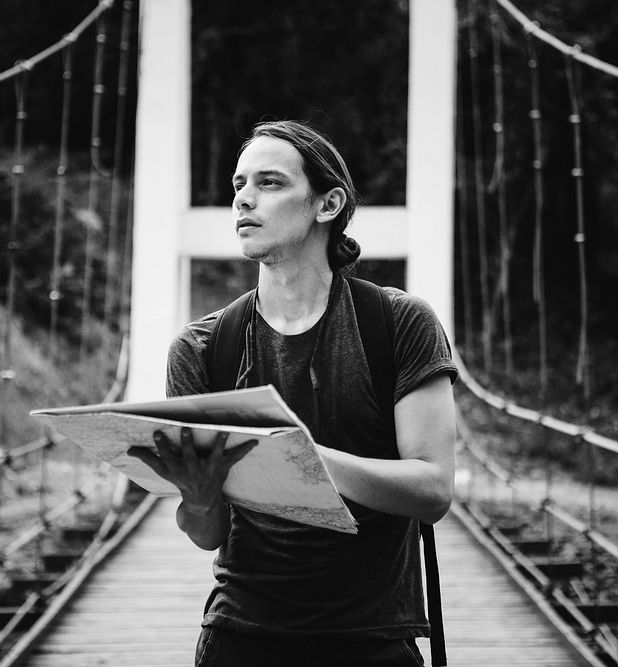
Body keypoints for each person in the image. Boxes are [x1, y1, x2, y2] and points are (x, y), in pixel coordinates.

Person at [128, 120, 457, 667]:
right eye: (238, 185)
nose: (243, 200)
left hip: (372, 640)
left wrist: (295, 455)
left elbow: (433, 490)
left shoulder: (398, 323)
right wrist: (200, 496)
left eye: (270, 183)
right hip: (240, 636)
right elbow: (206, 535)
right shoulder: (202, 348)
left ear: (328, 204)